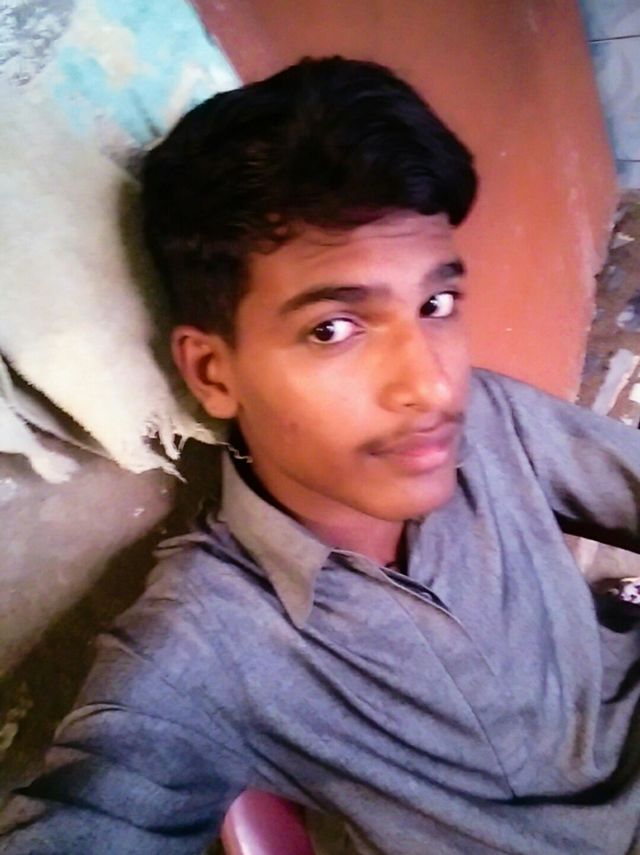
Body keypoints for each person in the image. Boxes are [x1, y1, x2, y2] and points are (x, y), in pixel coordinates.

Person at [2, 55, 640, 855]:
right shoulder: (202, 653)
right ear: (213, 371)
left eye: (436, 302)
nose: (432, 384)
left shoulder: (487, 414)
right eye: (333, 328)